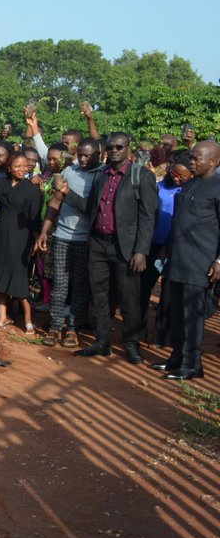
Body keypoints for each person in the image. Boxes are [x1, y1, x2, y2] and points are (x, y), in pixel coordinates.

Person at [61, 132, 158, 364]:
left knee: (128, 297)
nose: (114, 150)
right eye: (110, 147)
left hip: (125, 247)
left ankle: (131, 344)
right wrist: (67, 194)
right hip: (97, 243)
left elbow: (148, 217)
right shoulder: (102, 176)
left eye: (119, 147)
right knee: (99, 295)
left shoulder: (141, 176)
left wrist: (141, 251)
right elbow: (91, 207)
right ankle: (102, 342)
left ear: (128, 149)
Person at [153, 141, 220, 380]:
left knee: (192, 315)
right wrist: (165, 249)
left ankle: (193, 365)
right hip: (177, 259)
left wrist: (219, 261)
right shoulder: (190, 184)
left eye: (196, 159)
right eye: (191, 157)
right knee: (175, 312)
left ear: (213, 161)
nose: (191, 162)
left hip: (200, 261)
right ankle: (177, 358)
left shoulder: (218, 188)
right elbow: (178, 221)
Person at [34, 138, 102, 347]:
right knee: (60, 284)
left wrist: (67, 193)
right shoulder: (69, 172)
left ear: (98, 155)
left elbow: (94, 209)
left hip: (86, 240)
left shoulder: (102, 176)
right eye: (79, 154)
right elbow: (55, 201)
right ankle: (55, 326)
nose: (82, 158)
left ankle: (73, 328)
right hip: (62, 235)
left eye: (87, 155)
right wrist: (45, 231)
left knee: (80, 285)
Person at [0, 152, 44, 333]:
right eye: (17, 166)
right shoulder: (0, 183)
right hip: (1, 234)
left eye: (25, 165)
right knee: (0, 274)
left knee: (19, 277)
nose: (21, 169)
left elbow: (35, 218)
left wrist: (37, 239)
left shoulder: (33, 189)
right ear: (9, 168)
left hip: (22, 237)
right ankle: (3, 316)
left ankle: (28, 320)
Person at [141, 151, 194, 322]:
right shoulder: (158, 185)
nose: (176, 177)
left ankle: (161, 333)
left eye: (181, 174)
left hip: (176, 247)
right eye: (173, 171)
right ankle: (139, 326)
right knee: (143, 286)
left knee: (169, 291)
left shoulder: (189, 189)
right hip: (154, 243)